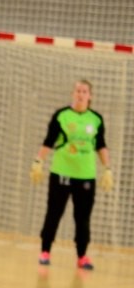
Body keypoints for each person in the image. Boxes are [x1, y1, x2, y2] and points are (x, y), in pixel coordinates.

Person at [31, 79, 113, 270]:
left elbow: (101, 145)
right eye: (77, 91)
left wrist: (107, 168)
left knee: (83, 218)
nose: (80, 94)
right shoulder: (61, 116)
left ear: (90, 96)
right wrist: (38, 161)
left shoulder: (96, 119)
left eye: (84, 91)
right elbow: (49, 141)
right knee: (54, 213)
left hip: (86, 176)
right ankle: (45, 251)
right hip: (61, 173)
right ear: (72, 93)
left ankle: (82, 256)